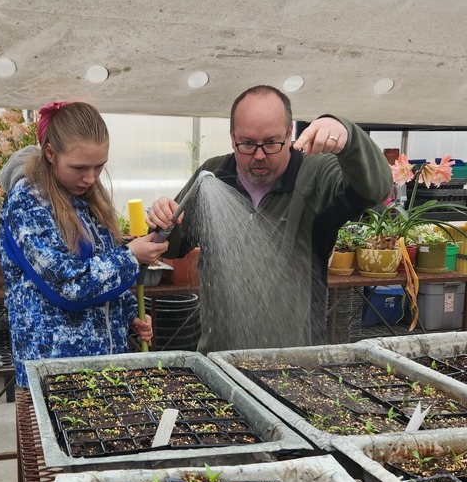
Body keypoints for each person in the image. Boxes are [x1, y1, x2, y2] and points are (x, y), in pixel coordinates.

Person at [148, 84, 393, 352]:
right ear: (232, 137)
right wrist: (164, 220)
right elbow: (172, 246)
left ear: (289, 134)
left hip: (296, 361)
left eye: (271, 143)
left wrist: (349, 137)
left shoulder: (315, 174)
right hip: (219, 358)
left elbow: (376, 189)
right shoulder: (213, 174)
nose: (259, 155)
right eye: (248, 144)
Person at [0, 100, 168, 386]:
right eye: (79, 167)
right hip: (57, 376)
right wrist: (130, 257)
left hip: (103, 370)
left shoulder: (86, 199)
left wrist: (128, 313)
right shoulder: (28, 203)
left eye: (99, 166)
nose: (90, 178)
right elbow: (66, 287)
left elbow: (99, 268)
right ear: (50, 153)